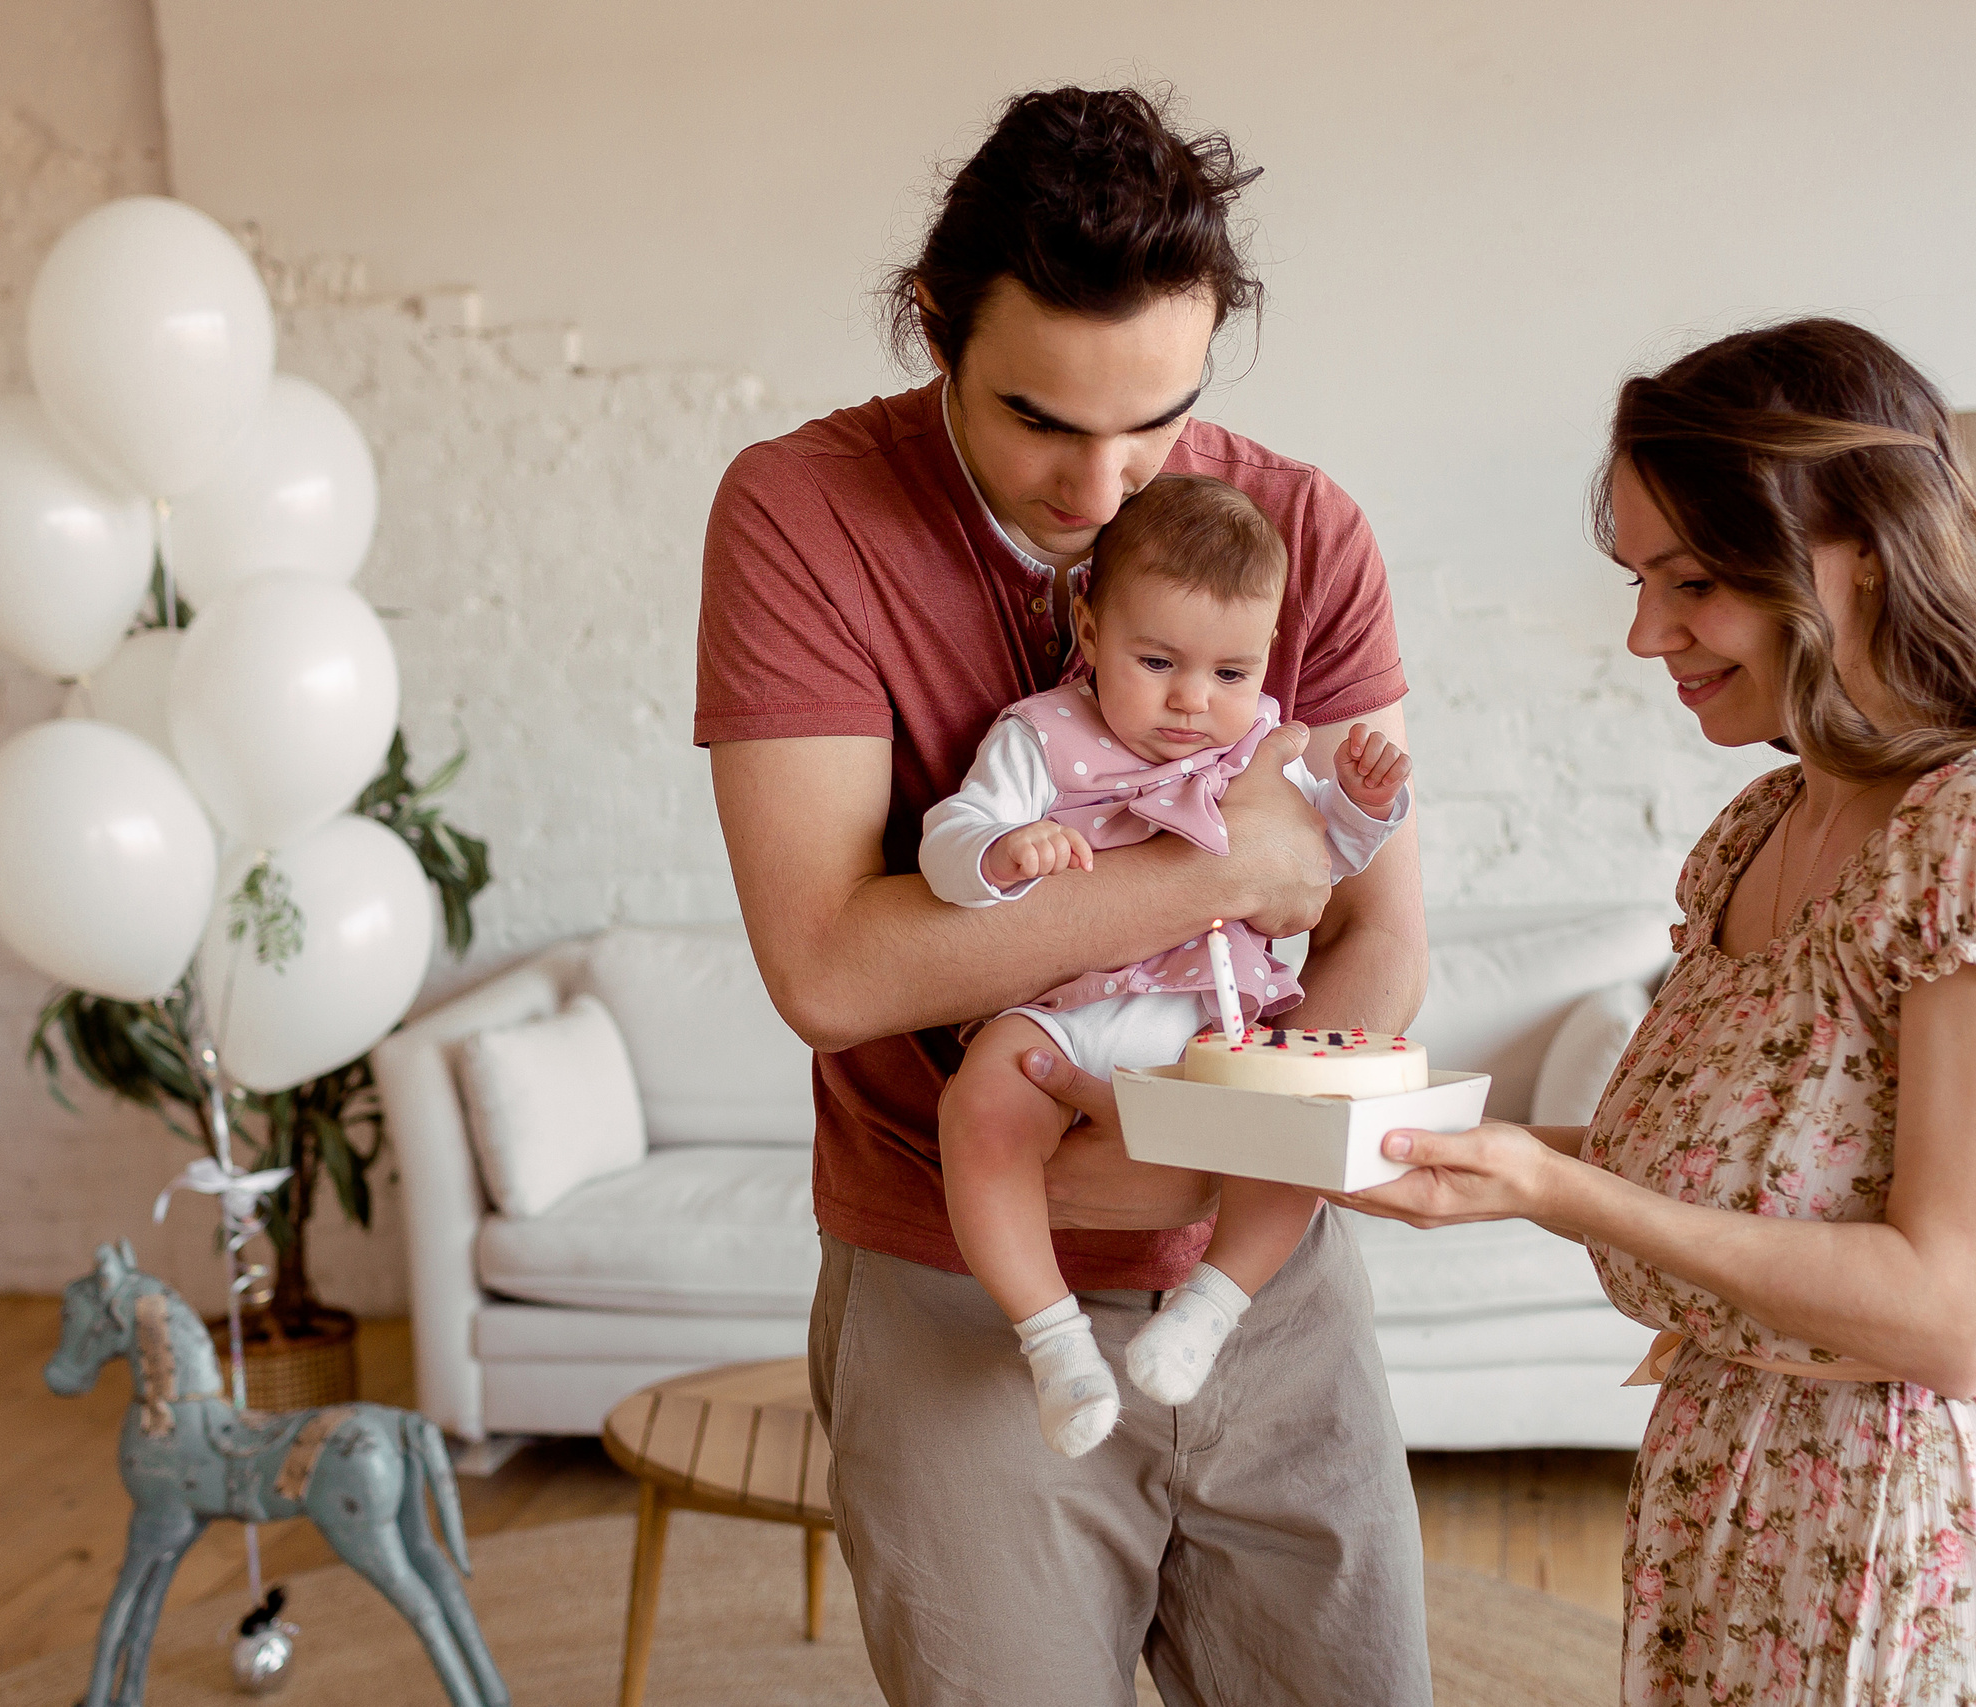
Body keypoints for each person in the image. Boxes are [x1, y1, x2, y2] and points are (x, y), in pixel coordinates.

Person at [696, 87, 1433, 1706]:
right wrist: (1234, 859)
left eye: (1156, 420)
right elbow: (828, 965)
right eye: (1040, 419)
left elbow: (1377, 923)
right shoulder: (803, 518)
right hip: (959, 1298)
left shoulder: (1297, 530)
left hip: (1267, 1285)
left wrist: (1256, 1131)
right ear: (930, 329)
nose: (1104, 488)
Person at [1336, 318, 1976, 1705]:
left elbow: (1948, 1308)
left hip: (1904, 1549)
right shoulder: (1762, 829)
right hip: (1730, 1515)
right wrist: (1465, 1152)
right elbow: (1750, 1166)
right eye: (1640, 580)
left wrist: (1556, 1189)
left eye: (1691, 580)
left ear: (1863, 549)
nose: (1647, 633)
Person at [920, 473, 1413, 1456]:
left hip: (1211, 1021)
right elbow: (950, 837)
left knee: (1293, 1135)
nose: (1192, 701)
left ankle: (1208, 1308)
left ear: (1265, 661)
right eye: (1156, 661)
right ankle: (1052, 1338)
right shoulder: (1043, 737)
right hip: (1064, 1009)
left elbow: (1321, 869)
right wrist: (999, 853)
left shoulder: (1265, 749)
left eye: (1231, 674)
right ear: (1091, 630)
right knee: (979, 1109)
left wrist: (1359, 805)